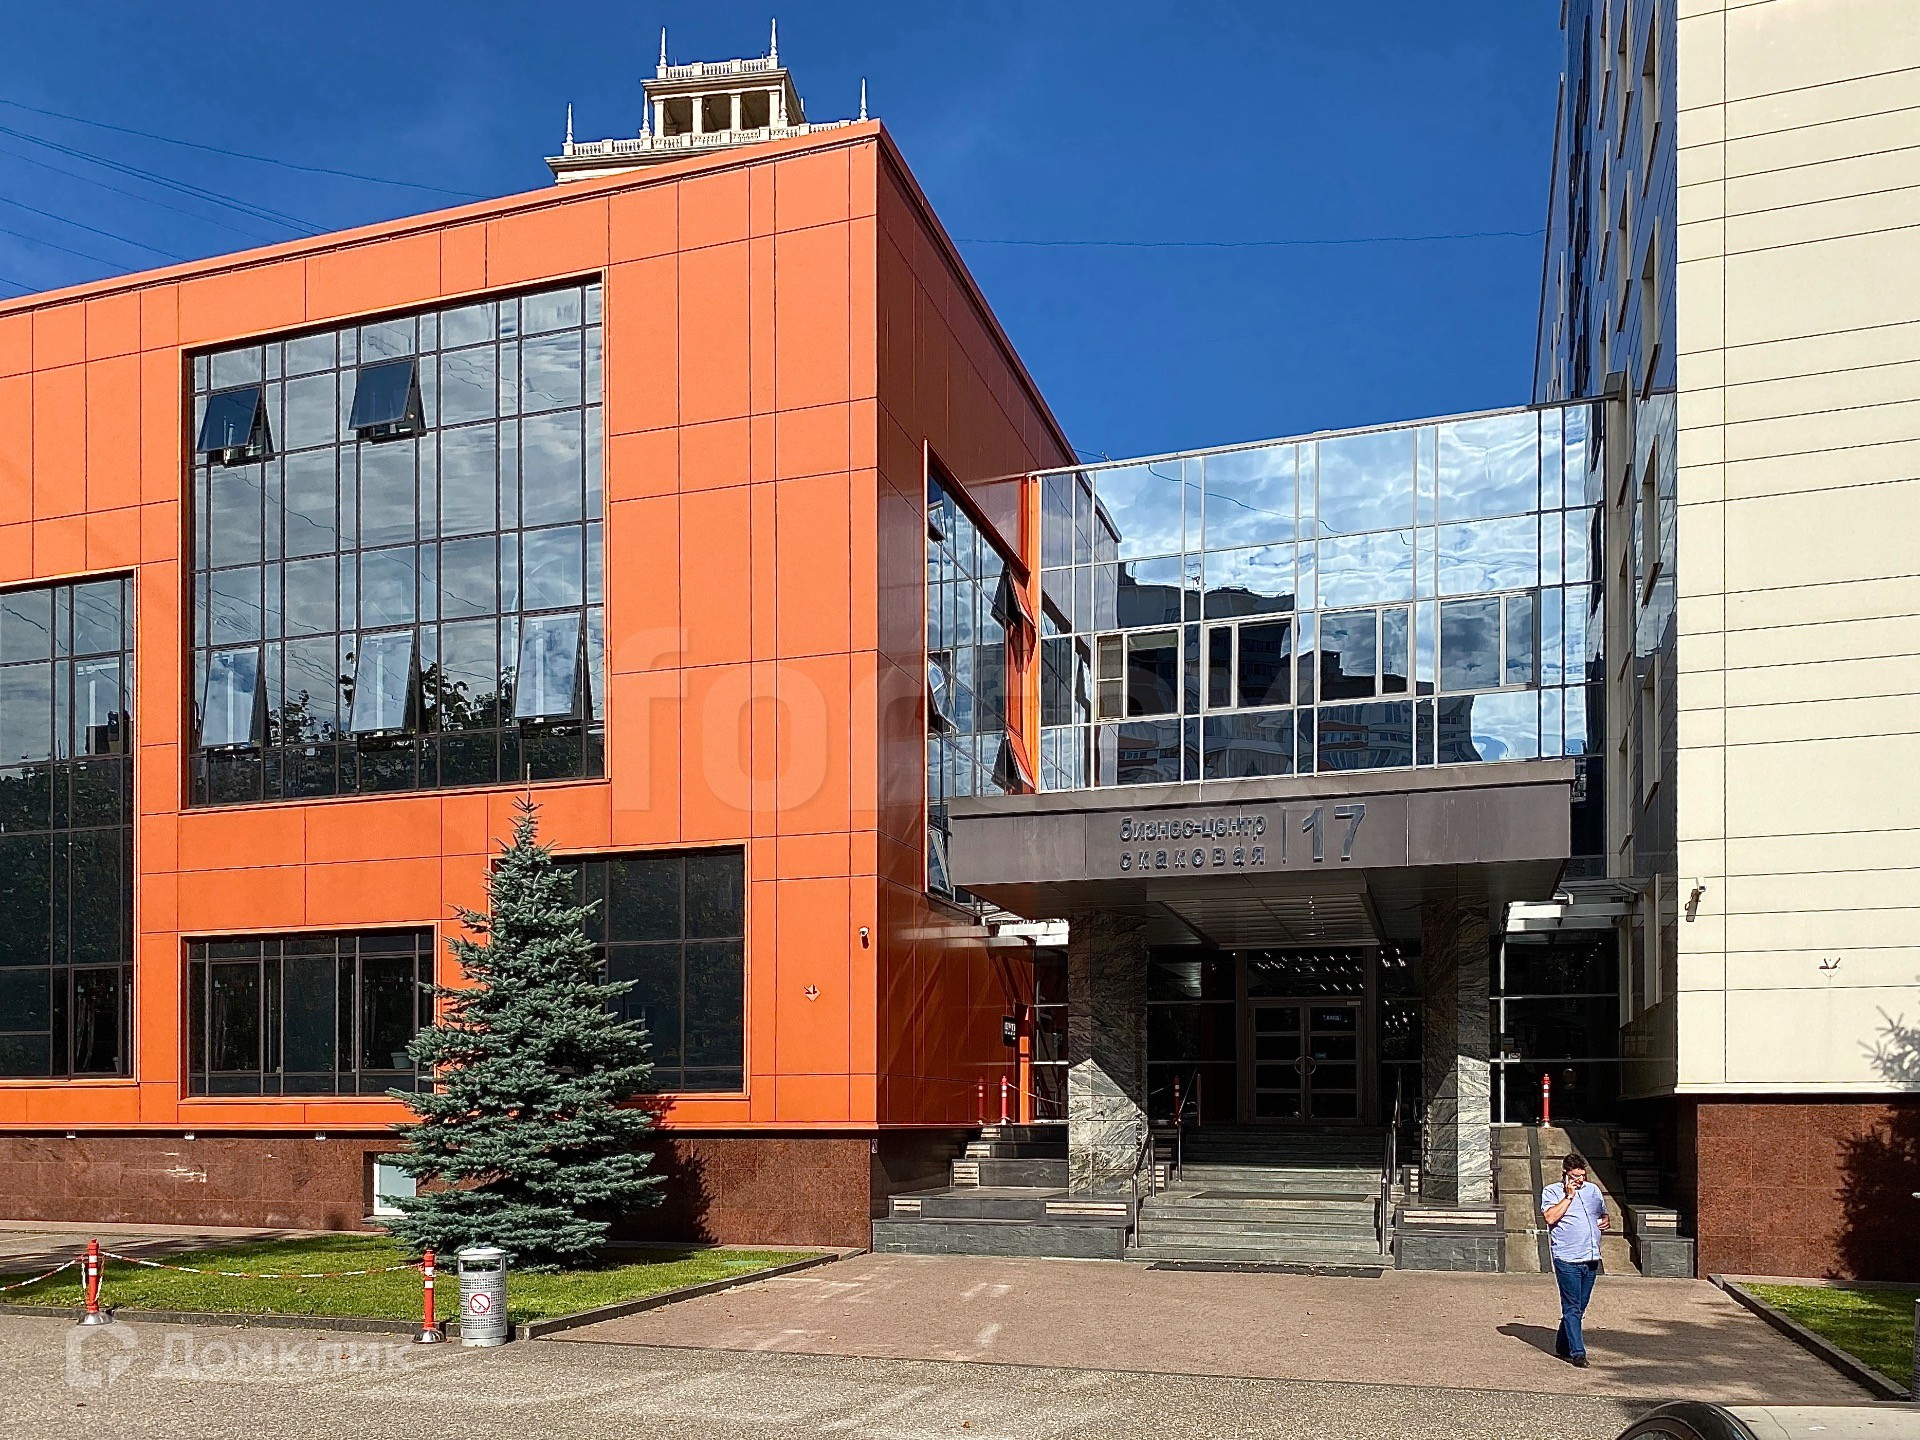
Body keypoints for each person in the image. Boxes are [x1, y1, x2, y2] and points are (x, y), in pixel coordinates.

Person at [1540, 1152, 1609, 1367]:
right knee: (1571, 1306)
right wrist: (1568, 1196)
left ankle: (1563, 1344)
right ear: (1565, 1174)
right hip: (1567, 1258)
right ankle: (1578, 1353)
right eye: (1575, 1176)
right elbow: (1550, 1217)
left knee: (1580, 1306)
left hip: (1591, 1257)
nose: (1579, 1180)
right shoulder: (1552, 1191)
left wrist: (1606, 1221)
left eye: (1582, 1175)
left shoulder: (1593, 1190)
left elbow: (1603, 1214)